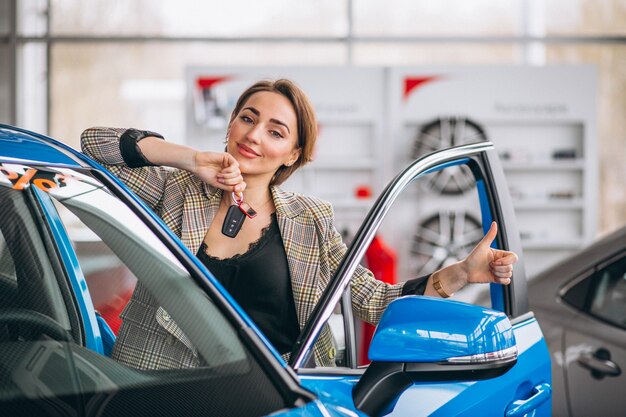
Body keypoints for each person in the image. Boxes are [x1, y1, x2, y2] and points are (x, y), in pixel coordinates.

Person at [81, 78, 517, 370]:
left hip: (265, 395)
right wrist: (190, 159)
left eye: (276, 130)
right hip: (155, 386)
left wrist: (461, 273)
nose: (253, 135)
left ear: (292, 153)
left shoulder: (311, 219)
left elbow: (376, 303)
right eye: (248, 118)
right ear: (231, 124)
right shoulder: (175, 189)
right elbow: (92, 144)